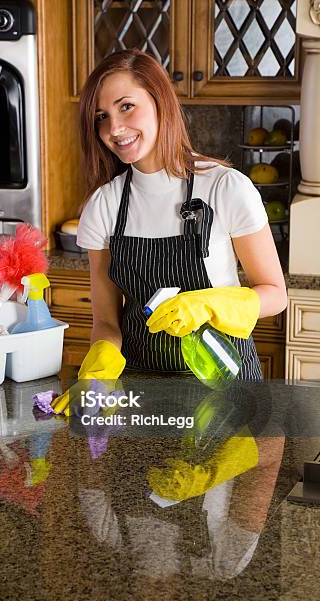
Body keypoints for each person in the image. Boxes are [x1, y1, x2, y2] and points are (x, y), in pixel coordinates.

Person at [52, 49, 287, 414]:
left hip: (226, 390)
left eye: (126, 106)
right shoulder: (104, 206)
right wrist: (98, 371)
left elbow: (275, 294)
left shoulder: (226, 187)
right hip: (140, 394)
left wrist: (208, 304)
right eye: (102, 116)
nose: (114, 128)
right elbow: (106, 322)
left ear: (160, 101)